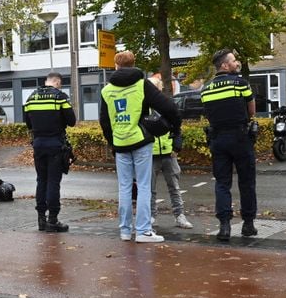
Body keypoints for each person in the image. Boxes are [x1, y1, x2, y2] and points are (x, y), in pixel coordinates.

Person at [99, 51, 181, 243]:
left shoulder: (106, 90)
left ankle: (125, 231)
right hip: (141, 141)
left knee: (124, 187)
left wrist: (113, 143)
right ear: (133, 63)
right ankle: (143, 231)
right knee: (144, 186)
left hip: (120, 143)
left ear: (116, 66)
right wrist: (174, 127)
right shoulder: (142, 85)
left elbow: (105, 122)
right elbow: (169, 108)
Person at [200, 49, 257, 241]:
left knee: (222, 183)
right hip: (240, 137)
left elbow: (208, 113)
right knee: (246, 182)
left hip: (218, 139)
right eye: (234, 60)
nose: (237, 63)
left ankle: (224, 226)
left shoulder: (206, 89)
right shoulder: (241, 83)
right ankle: (248, 224)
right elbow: (251, 111)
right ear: (225, 65)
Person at [23, 71, 77, 232]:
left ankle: (41, 219)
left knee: (41, 180)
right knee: (53, 182)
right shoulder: (60, 97)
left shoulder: (31, 98)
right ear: (58, 82)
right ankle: (53, 220)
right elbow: (72, 121)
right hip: (55, 145)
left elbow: (28, 124)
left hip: (38, 145)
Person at [147, 77, 193, 230]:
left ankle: (179, 216)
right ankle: (151, 216)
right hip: (150, 154)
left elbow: (177, 127)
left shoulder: (166, 106)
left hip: (168, 153)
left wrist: (176, 147)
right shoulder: (143, 107)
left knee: (174, 187)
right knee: (150, 188)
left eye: (155, 87)